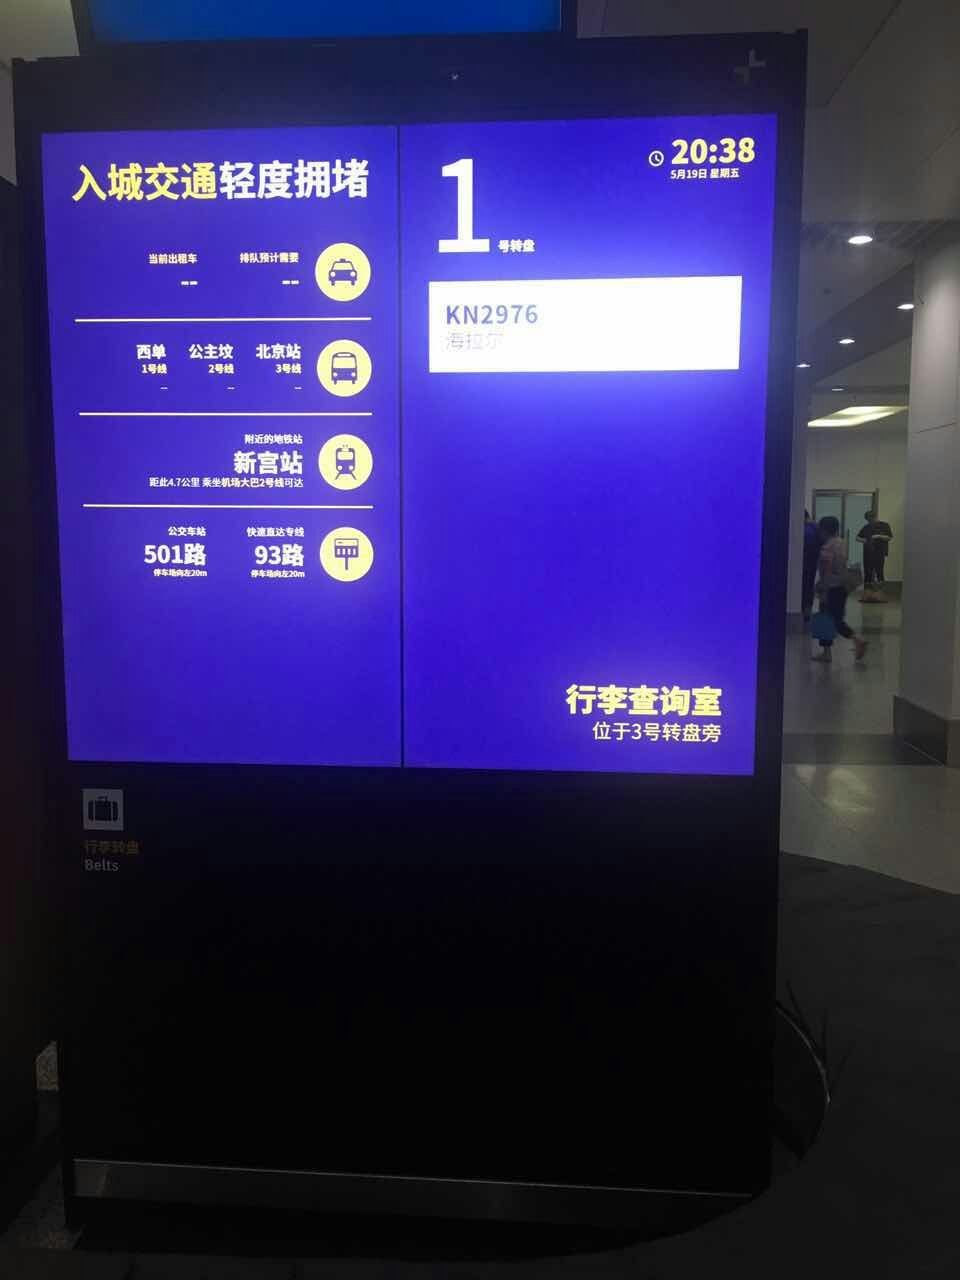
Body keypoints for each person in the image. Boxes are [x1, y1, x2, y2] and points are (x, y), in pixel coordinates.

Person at [812, 515, 868, 663]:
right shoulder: (841, 542)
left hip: (831, 588)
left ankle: (855, 640)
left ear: (824, 530)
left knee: (828, 620)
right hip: (841, 587)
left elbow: (827, 570)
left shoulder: (827, 547)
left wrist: (822, 588)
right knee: (833, 618)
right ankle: (828, 652)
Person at [856, 510, 893, 595]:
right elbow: (857, 538)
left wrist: (879, 536)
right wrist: (865, 540)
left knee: (879, 571)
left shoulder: (885, 525)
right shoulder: (866, 527)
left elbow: (889, 537)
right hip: (868, 552)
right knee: (868, 572)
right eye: (867, 520)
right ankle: (867, 593)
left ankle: (880, 593)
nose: (869, 522)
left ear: (874, 517)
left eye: (869, 519)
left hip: (879, 552)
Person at [801, 509, 820, 621]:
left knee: (805, 586)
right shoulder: (816, 527)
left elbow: (806, 545)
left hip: (806, 562)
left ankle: (806, 610)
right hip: (812, 563)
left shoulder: (808, 529)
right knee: (808, 586)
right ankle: (807, 609)